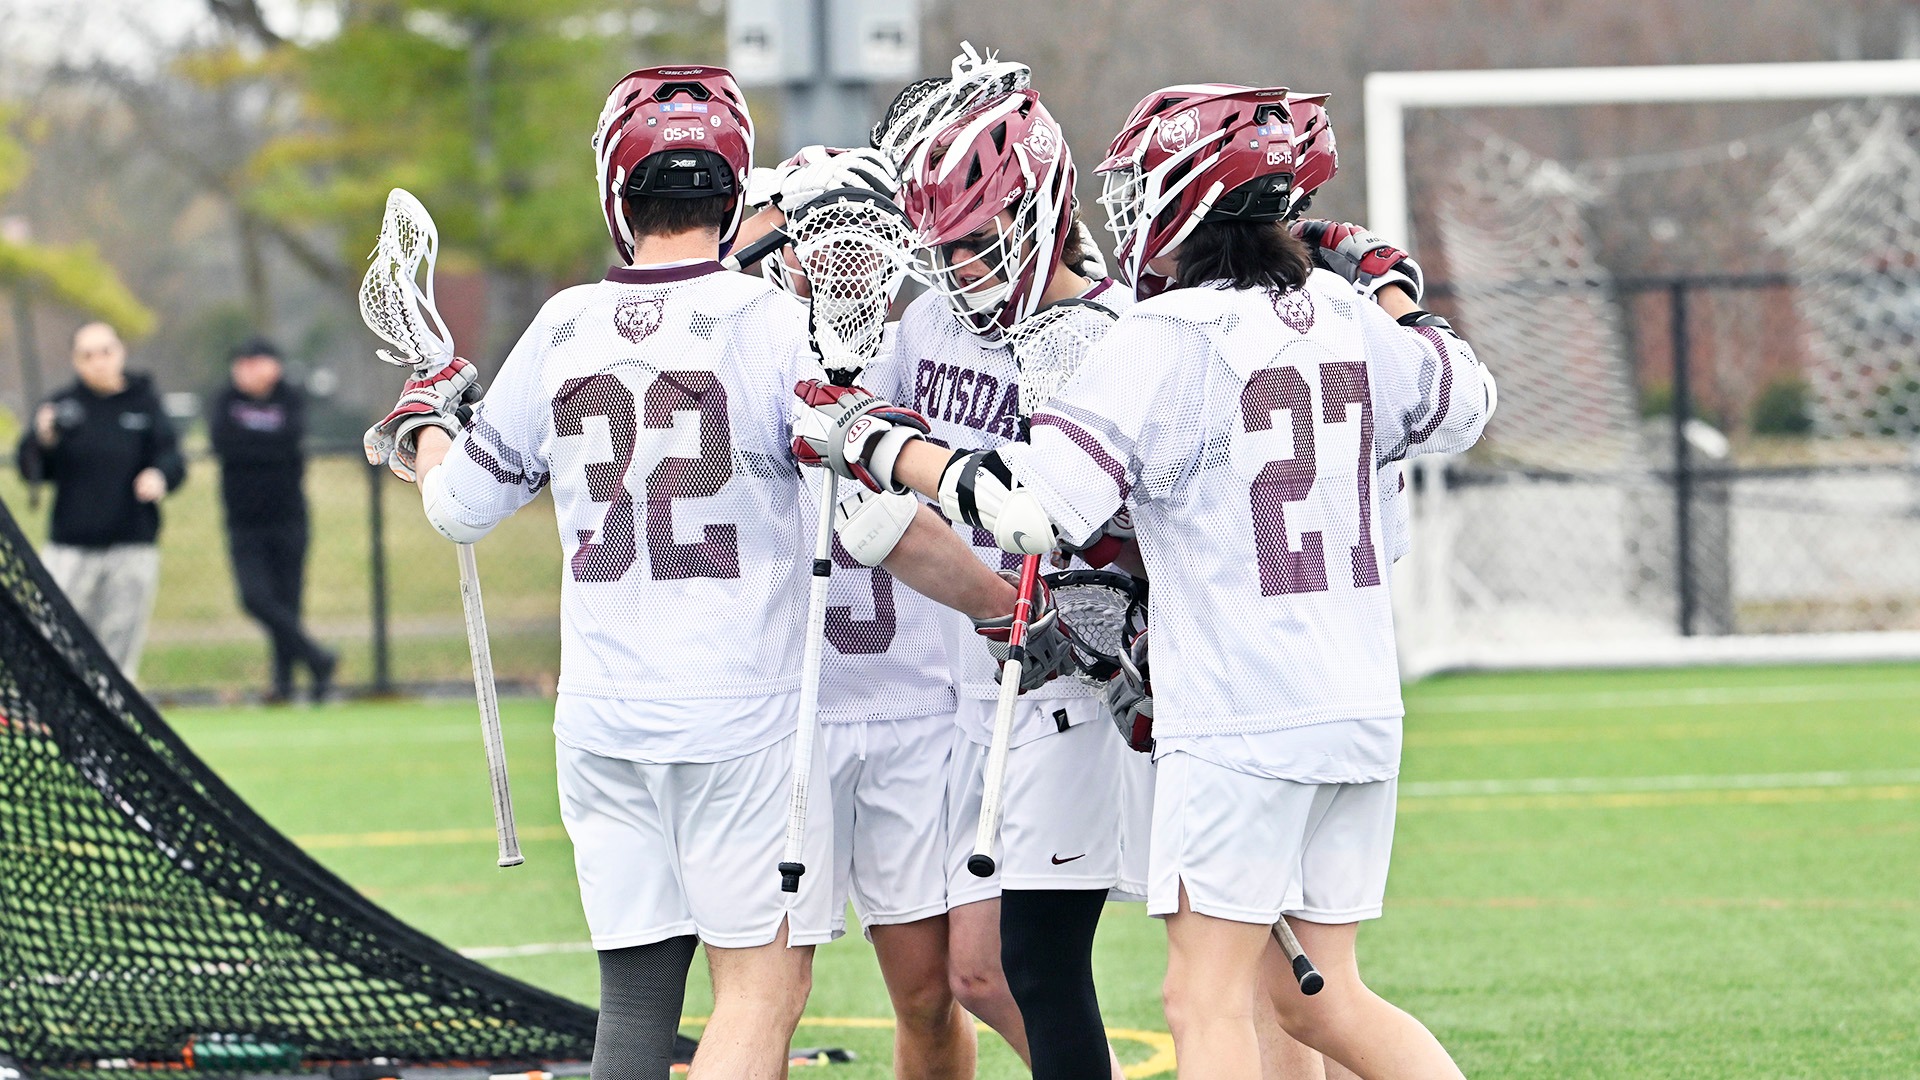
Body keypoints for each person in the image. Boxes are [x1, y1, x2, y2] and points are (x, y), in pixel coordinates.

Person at [793, 83, 1496, 1080]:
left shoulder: (1159, 339)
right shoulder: (1346, 315)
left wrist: (870, 436)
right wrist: (1389, 288)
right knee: (1322, 998)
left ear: (1189, 196)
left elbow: (1033, 508)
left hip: (1239, 706)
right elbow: (1465, 398)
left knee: (1202, 1003)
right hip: (1358, 700)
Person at [362, 65, 1014, 1080]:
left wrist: (427, 424)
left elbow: (459, 506)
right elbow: (874, 506)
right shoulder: (771, 326)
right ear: (735, 184)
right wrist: (999, 599)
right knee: (762, 993)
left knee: (636, 1002)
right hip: (737, 719)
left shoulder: (562, 324)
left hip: (602, 718)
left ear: (618, 189)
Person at [877, 86, 1148, 1080]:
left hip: (1071, 686)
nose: (961, 267)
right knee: (983, 975)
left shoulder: (1118, 332)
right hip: (972, 680)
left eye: (980, 240)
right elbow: (875, 432)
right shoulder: (933, 325)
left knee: (1031, 963)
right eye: (945, 245)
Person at [16, 321, 185, 679]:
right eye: (88, 355)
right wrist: (42, 438)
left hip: (130, 545)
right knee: (55, 637)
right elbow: (31, 469)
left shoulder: (145, 404)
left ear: (120, 353)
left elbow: (172, 457)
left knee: (118, 647)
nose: (98, 362)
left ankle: (114, 725)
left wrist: (159, 476)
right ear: (76, 361)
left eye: (105, 352)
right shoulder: (62, 407)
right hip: (71, 547)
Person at [209, 338, 337, 703]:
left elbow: (288, 441)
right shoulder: (225, 401)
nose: (246, 370)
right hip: (243, 520)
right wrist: (262, 445)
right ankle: (317, 658)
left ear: (274, 366)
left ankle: (285, 684)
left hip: (288, 516)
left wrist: (253, 444)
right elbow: (223, 442)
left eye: (255, 362)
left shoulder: (290, 398)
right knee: (254, 598)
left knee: (289, 600)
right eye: (242, 363)